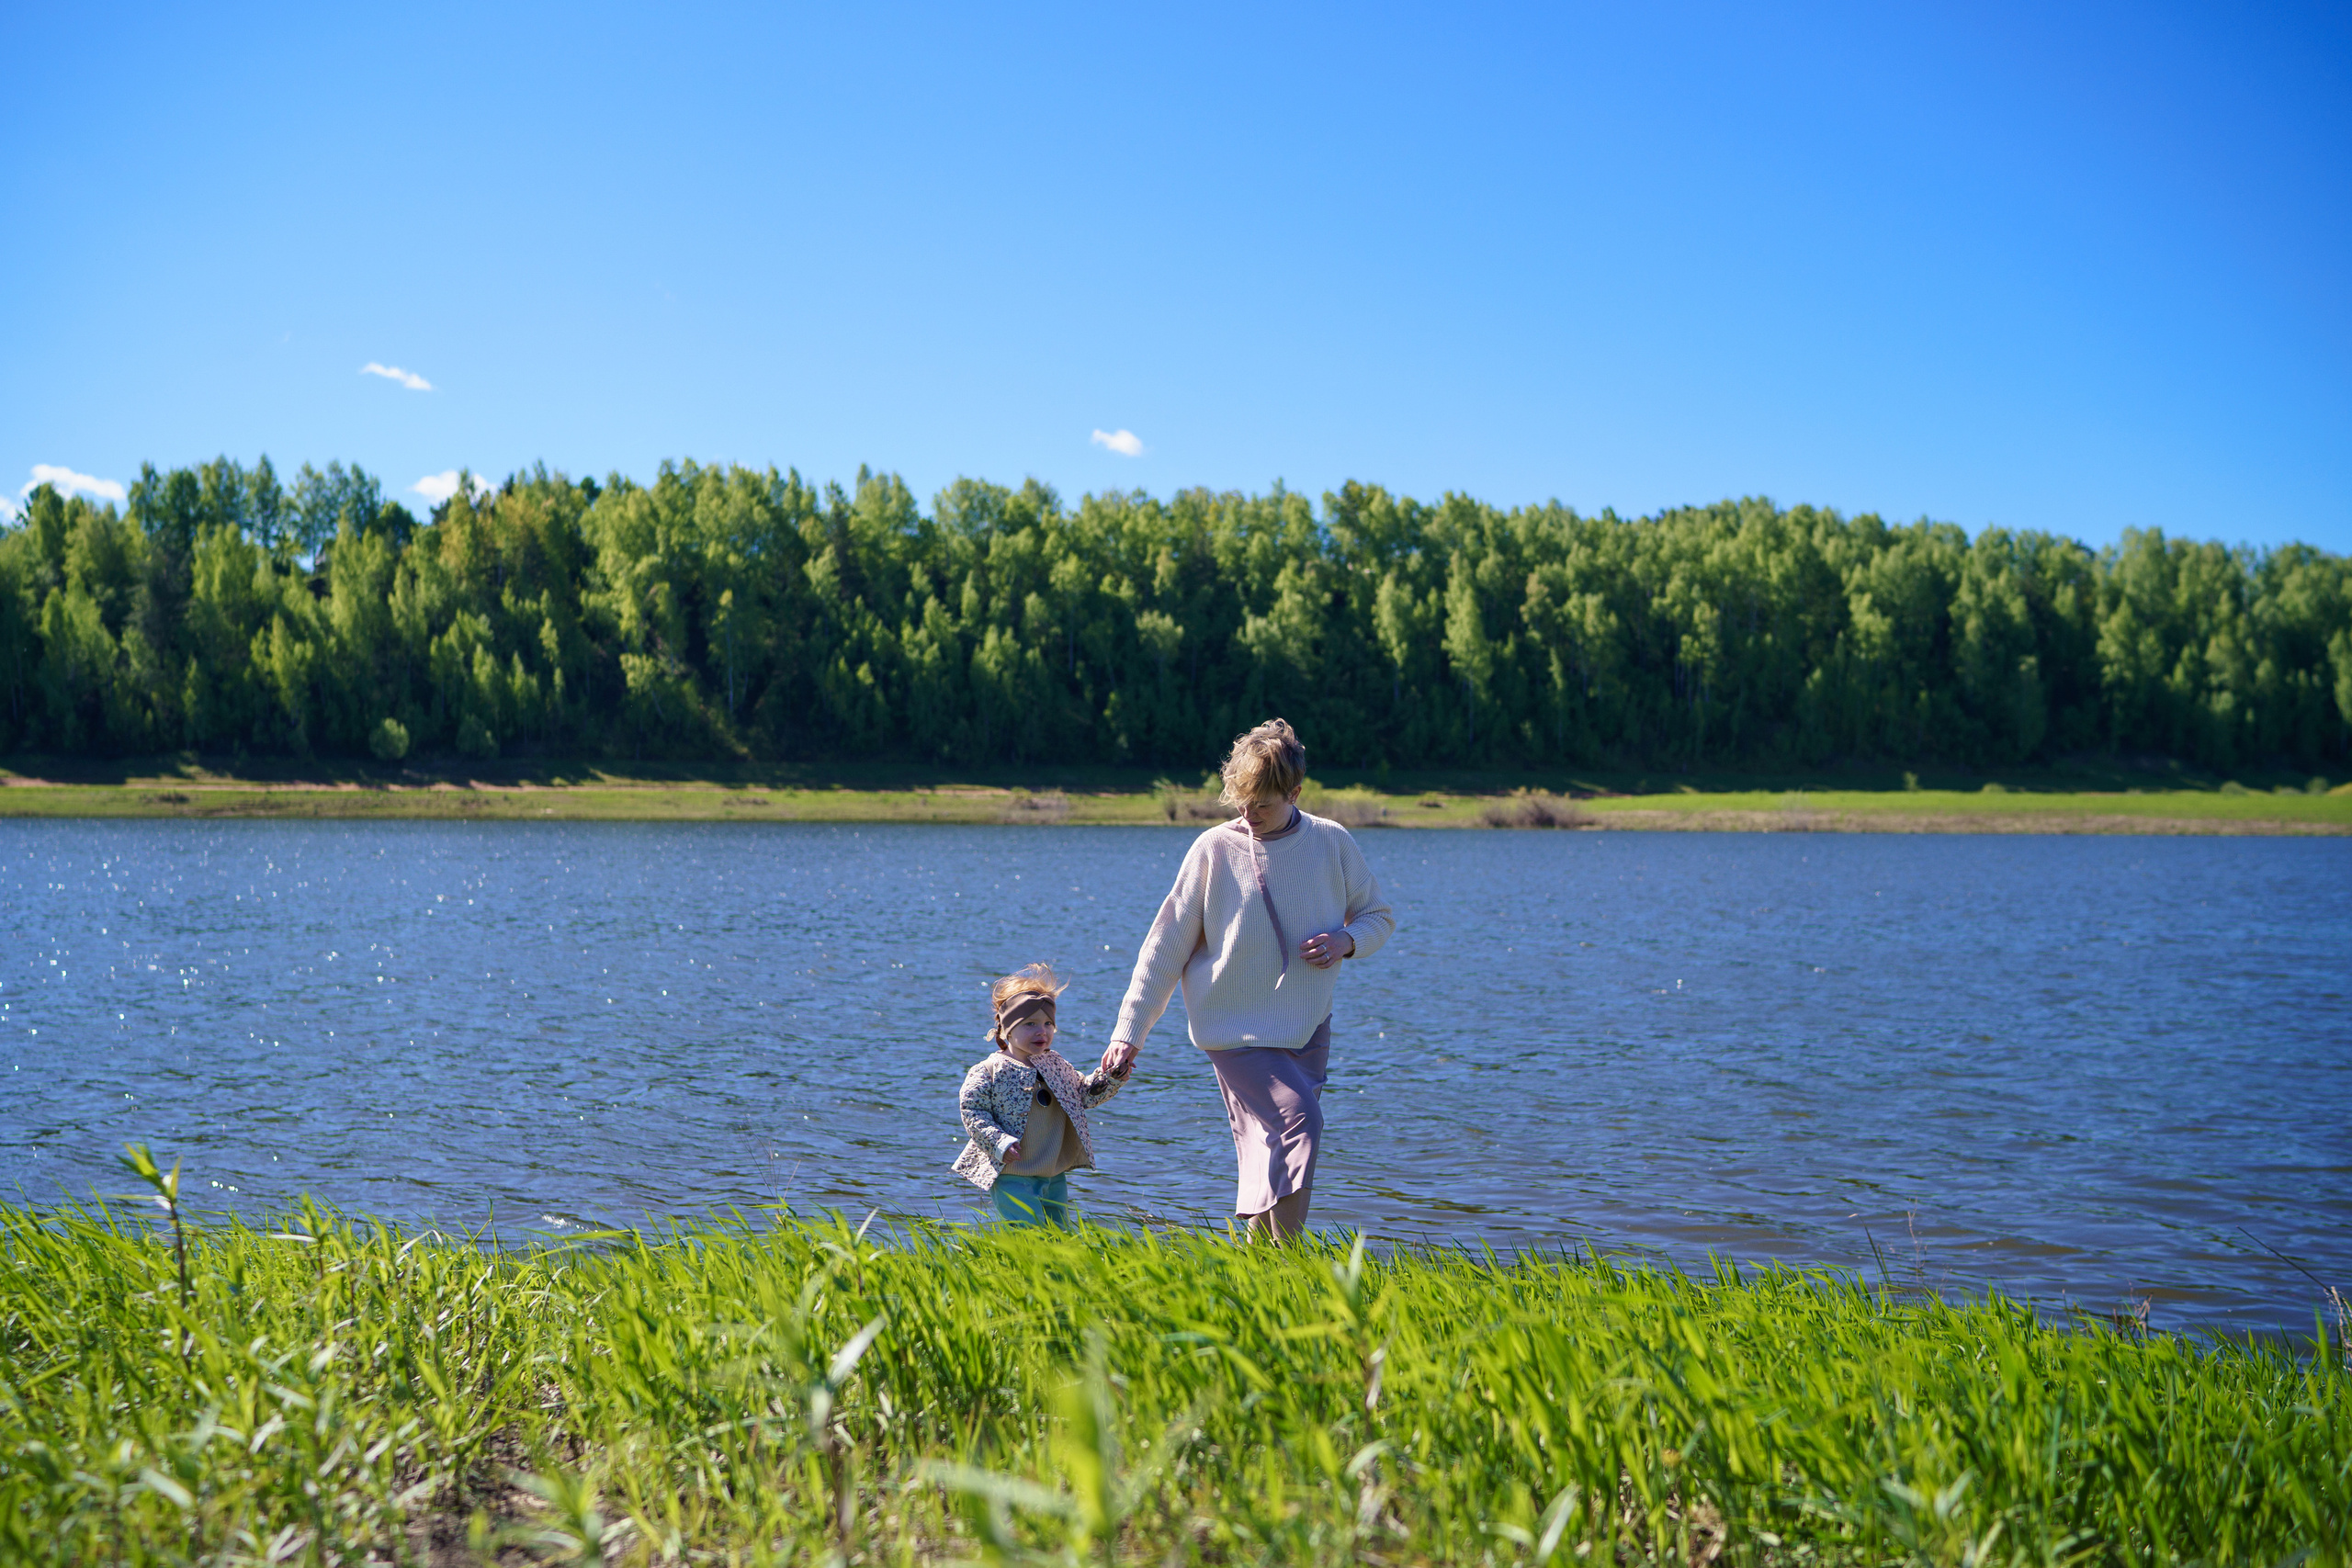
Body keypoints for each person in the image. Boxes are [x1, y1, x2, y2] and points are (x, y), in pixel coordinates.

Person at [1100, 719, 1395, 1239]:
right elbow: (1165, 947)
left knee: (1270, 1140)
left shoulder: (1331, 842)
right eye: (1241, 801)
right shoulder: (1213, 848)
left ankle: (1260, 1265)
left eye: (1262, 803)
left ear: (1295, 792)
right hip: (1232, 1027)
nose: (1248, 814)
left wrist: (1346, 941)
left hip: (1307, 1026)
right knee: (1301, 1122)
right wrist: (1128, 1033)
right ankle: (1292, 1258)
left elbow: (1378, 916)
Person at [952, 963, 1129, 1227]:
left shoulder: (1055, 1064)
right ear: (1006, 1030)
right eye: (1030, 1024)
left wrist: (1111, 1078)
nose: (1041, 1031)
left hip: (1052, 1173)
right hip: (1011, 1174)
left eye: (1048, 1024)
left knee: (1060, 1235)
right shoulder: (989, 1070)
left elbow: (1083, 1095)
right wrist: (999, 1143)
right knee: (1028, 1234)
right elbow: (972, 1112)